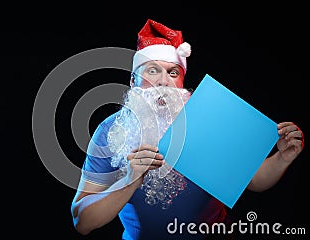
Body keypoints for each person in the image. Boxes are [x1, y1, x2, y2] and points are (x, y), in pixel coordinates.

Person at [70, 19, 304, 240]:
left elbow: (255, 180)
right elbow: (83, 221)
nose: (163, 82)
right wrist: (130, 181)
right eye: (152, 71)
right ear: (133, 82)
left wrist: (282, 158)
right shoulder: (111, 131)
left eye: (173, 72)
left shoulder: (208, 119)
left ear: (182, 81)